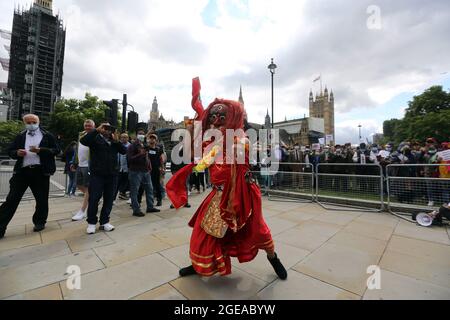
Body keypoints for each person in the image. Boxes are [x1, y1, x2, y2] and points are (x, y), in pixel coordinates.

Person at [167, 97, 287, 280]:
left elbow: (242, 150)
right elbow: (194, 157)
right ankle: (198, 264)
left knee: (257, 230)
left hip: (242, 194)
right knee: (203, 231)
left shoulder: (240, 139)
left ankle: (273, 257)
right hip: (218, 194)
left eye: (221, 116)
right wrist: (192, 130)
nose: (216, 120)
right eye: (213, 116)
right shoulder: (211, 142)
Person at [0, 114, 60, 239]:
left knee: (42, 199)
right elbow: (10, 151)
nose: (31, 124)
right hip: (22, 172)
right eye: (28, 122)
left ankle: (39, 222)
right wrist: (16, 153)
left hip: (40, 172)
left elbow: (56, 150)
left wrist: (41, 150)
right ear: (24, 123)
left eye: (33, 121)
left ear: (38, 122)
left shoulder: (47, 135)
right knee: (12, 199)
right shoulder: (20, 136)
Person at [80, 123, 127, 234]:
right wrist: (96, 130)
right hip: (97, 174)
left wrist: (116, 141)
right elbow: (83, 141)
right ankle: (91, 222)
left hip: (112, 175)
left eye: (109, 129)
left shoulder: (114, 141)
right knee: (94, 198)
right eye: (105, 128)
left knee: (109, 199)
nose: (107, 131)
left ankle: (104, 221)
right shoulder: (95, 139)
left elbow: (124, 151)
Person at [128, 129, 160, 217]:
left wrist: (149, 166)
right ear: (136, 135)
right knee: (135, 191)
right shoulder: (132, 146)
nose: (142, 135)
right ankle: (136, 209)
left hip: (145, 171)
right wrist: (140, 154)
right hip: (135, 171)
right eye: (139, 134)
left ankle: (150, 207)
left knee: (150, 189)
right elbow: (130, 159)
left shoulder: (145, 145)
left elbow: (147, 157)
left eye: (143, 134)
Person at [71, 120, 96, 221]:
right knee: (78, 185)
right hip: (80, 164)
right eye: (86, 125)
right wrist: (74, 162)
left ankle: (82, 211)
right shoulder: (81, 134)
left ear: (94, 126)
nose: (87, 127)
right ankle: (92, 198)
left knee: (88, 188)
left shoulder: (95, 135)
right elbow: (78, 149)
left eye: (90, 126)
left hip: (88, 165)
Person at [147, 133, 164, 206]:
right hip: (147, 170)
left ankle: (159, 199)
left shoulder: (158, 149)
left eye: (153, 138)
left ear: (156, 140)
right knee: (147, 185)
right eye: (151, 138)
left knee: (157, 185)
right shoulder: (146, 148)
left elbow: (161, 159)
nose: (152, 140)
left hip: (156, 169)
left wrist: (162, 168)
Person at [114, 133, 131, 201]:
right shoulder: (118, 145)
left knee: (128, 182)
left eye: (125, 137)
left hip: (127, 168)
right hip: (119, 168)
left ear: (128, 138)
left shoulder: (130, 146)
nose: (124, 139)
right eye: (122, 137)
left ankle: (124, 194)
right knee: (117, 183)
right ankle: (113, 198)